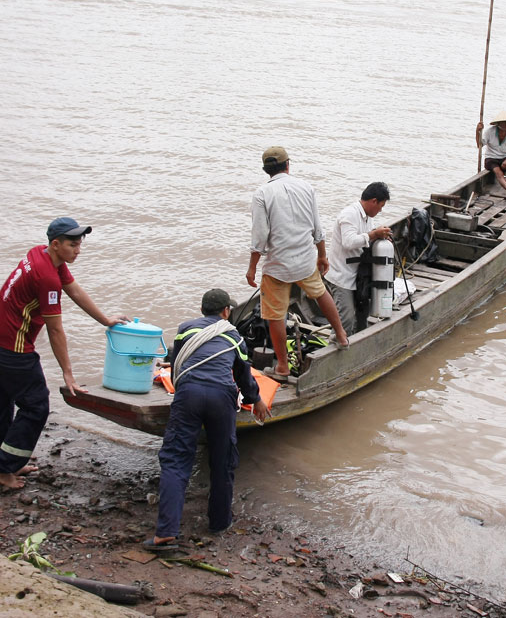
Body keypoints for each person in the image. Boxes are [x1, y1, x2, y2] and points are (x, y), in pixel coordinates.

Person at [0, 217, 127, 490]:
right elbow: (56, 330)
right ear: (56, 245)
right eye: (72, 245)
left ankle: (3, 461)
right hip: (11, 351)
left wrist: (104, 319)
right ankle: (3, 468)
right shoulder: (46, 278)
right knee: (36, 405)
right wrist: (69, 374)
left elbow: (74, 290)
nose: (78, 250)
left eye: (80, 244)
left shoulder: (40, 255)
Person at [144, 289, 270, 549]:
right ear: (226, 311)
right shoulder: (233, 335)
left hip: (188, 394)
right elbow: (243, 374)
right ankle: (219, 522)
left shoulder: (185, 329)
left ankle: (166, 531)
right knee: (223, 460)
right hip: (221, 397)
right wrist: (255, 399)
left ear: (202, 310)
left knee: (176, 460)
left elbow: (177, 360)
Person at [246, 146, 349, 380]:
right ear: (288, 165)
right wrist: (322, 255)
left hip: (277, 266)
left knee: (274, 314)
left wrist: (252, 267)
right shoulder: (307, 187)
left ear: (266, 170)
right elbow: (317, 227)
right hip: (304, 260)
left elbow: (260, 238)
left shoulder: (262, 194)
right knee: (321, 293)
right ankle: (341, 336)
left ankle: (282, 367)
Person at [325, 182, 393, 335]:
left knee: (362, 317)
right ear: (373, 201)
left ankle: (355, 347)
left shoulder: (368, 218)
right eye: (380, 206)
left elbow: (366, 241)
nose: (380, 210)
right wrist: (373, 235)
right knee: (346, 320)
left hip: (359, 277)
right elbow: (348, 242)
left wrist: (379, 238)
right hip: (341, 276)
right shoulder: (349, 214)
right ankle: (334, 350)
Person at [475, 110, 506, 197]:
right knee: (499, 173)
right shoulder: (490, 132)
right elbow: (480, 145)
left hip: (503, 158)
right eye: (504, 123)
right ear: (498, 123)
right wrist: (477, 131)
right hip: (491, 159)